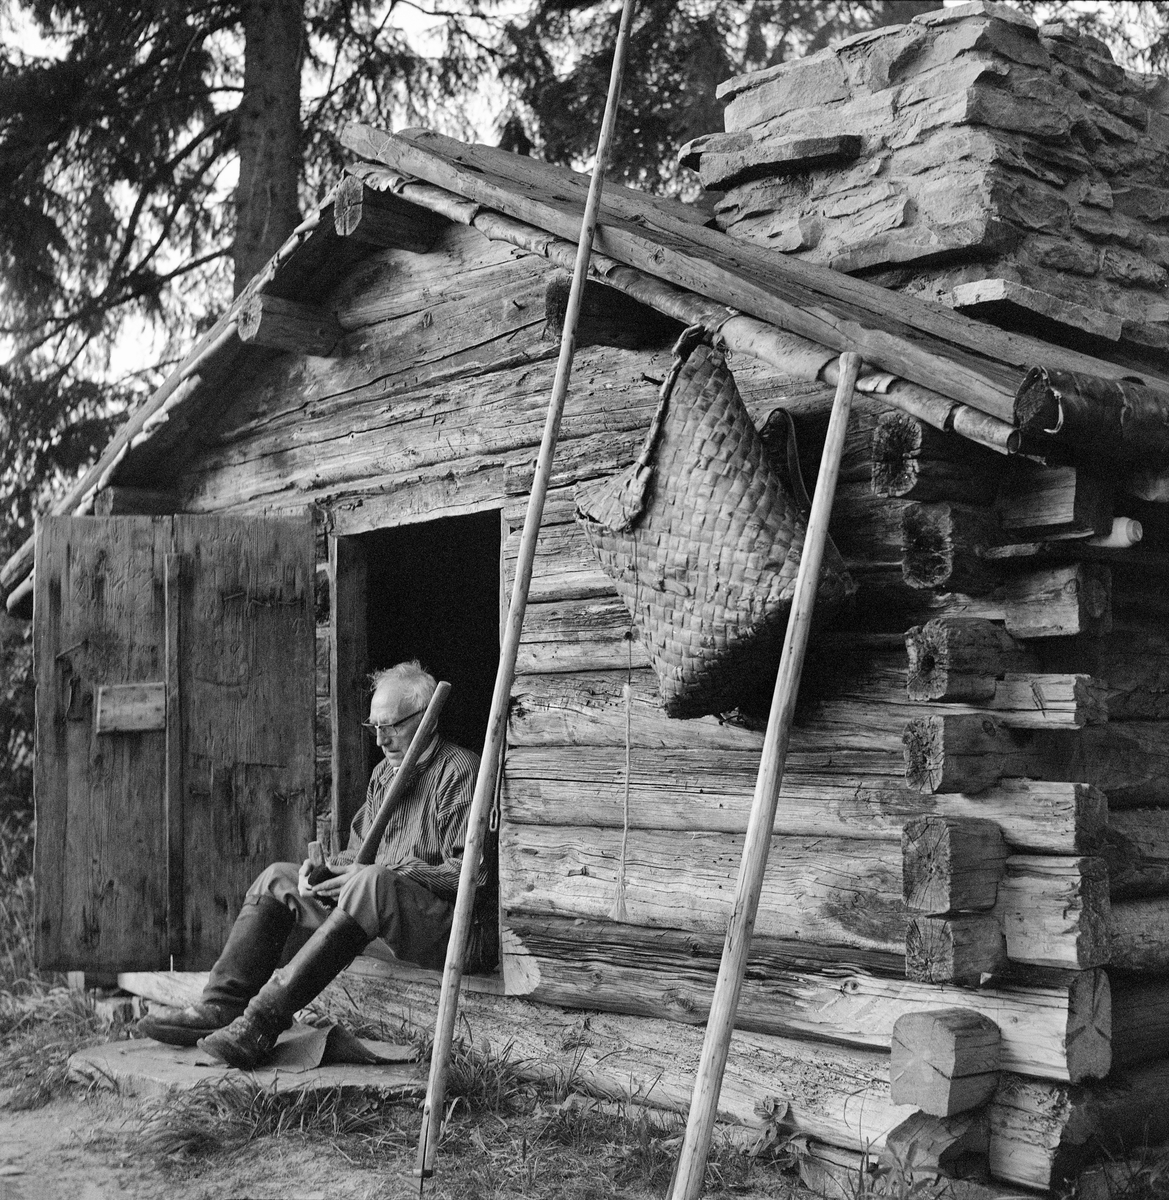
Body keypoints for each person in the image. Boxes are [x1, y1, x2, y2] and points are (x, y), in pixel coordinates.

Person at [137, 660, 491, 1068]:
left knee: (372, 883)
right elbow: (358, 856)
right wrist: (323, 873)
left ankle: (262, 1022)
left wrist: (389, 875)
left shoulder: (461, 772)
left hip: (448, 931)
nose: (381, 740)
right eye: (373, 727)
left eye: (392, 726)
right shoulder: (383, 775)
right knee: (278, 878)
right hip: (372, 917)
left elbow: (472, 876)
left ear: (427, 719)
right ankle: (220, 1008)